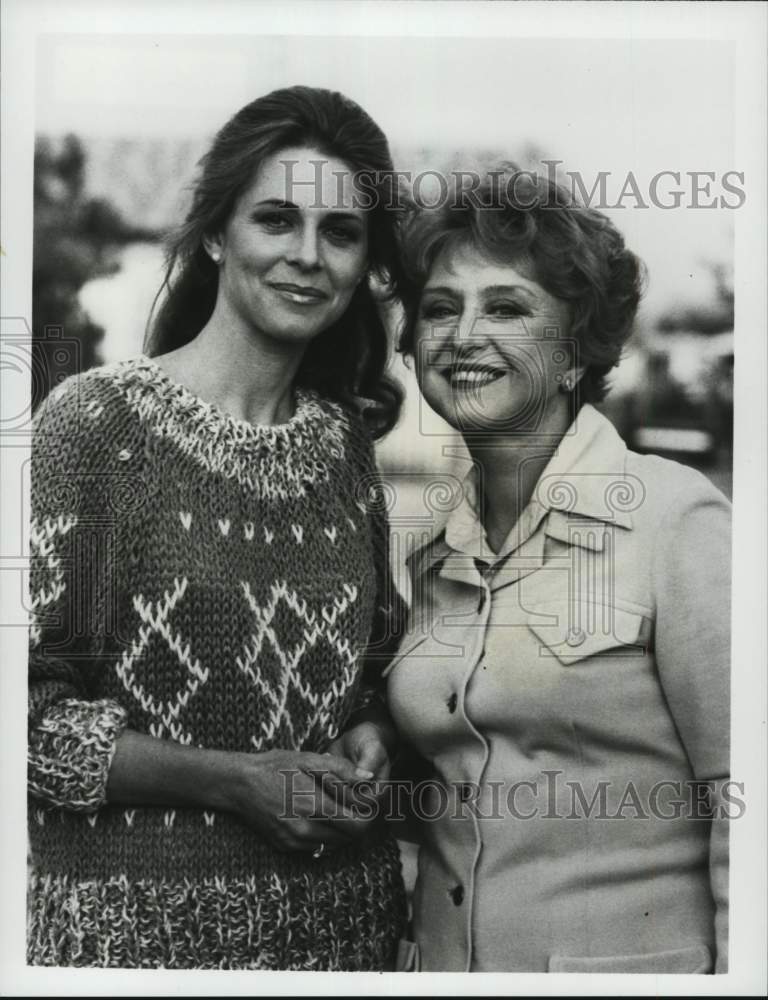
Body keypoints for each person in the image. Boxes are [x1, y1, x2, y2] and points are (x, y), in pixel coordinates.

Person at [27, 86, 408, 969]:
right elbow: (26, 720)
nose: (307, 256)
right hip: (135, 948)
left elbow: (374, 675)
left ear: (361, 264)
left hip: (345, 938)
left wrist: (374, 734)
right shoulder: (96, 428)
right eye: (276, 219)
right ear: (214, 233)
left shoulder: (344, 448)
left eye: (340, 233)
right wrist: (233, 782)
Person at [386, 166, 731, 972]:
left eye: (506, 307)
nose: (463, 335)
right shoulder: (433, 554)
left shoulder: (675, 521)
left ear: (577, 350)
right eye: (440, 309)